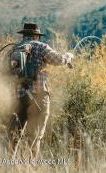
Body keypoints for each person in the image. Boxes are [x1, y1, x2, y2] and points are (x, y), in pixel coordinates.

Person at [6, 22, 73, 159]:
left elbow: (5, 72)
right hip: (38, 95)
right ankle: (30, 167)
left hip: (17, 97)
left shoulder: (12, 50)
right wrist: (68, 57)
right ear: (36, 36)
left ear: (23, 34)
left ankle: (9, 167)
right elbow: (58, 60)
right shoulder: (41, 47)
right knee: (34, 137)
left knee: (13, 137)